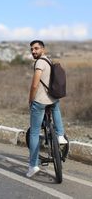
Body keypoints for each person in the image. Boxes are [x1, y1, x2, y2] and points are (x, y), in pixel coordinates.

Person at [26, 40, 67, 178]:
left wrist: (30, 100)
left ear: (43, 49)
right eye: (32, 49)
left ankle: (33, 166)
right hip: (53, 99)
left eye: (36, 48)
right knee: (56, 108)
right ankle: (60, 135)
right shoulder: (48, 60)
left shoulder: (39, 63)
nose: (33, 51)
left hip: (40, 101)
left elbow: (34, 85)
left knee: (34, 132)